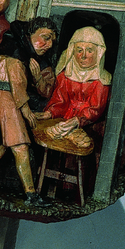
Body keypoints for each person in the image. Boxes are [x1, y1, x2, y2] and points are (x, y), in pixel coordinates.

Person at [0, 17, 57, 203]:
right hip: (6, 100)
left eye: (52, 41)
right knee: (20, 146)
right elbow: (16, 83)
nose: (48, 45)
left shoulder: (18, 50)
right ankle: (31, 194)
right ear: (30, 34)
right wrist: (26, 111)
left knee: (4, 142)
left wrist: (37, 78)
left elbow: (46, 90)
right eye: (45, 37)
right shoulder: (16, 53)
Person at [34, 25, 111, 153]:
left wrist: (77, 120)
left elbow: (96, 109)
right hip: (63, 120)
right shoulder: (65, 75)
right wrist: (49, 113)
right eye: (79, 50)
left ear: (98, 53)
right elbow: (60, 100)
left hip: (89, 125)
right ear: (72, 51)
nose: (83, 56)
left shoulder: (102, 80)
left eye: (90, 51)